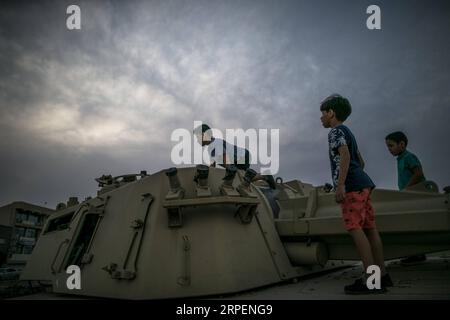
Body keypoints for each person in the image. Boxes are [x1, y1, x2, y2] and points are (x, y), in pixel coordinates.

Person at [320, 94, 393, 294]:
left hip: (352, 186)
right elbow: (360, 162)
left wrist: (341, 184)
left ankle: (371, 279)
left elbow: (344, 154)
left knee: (354, 227)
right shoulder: (348, 132)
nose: (321, 118)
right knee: (370, 228)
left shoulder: (335, 132)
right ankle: (382, 275)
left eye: (323, 114)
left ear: (331, 113)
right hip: (364, 183)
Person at [385, 131, 427, 264]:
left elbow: (419, 173)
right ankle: (414, 253)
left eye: (391, 146)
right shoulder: (400, 159)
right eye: (388, 147)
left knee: (415, 225)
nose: (389, 149)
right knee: (410, 224)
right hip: (408, 197)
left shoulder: (409, 157)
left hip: (416, 196)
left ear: (402, 144)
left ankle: (418, 254)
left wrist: (407, 189)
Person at [193, 123, 276, 189]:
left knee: (241, 178)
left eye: (198, 137)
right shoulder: (210, 148)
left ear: (204, 135)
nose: (197, 140)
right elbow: (213, 163)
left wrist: (229, 171)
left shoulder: (216, 143)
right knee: (241, 177)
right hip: (239, 158)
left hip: (242, 156)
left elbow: (225, 156)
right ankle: (264, 176)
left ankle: (265, 175)